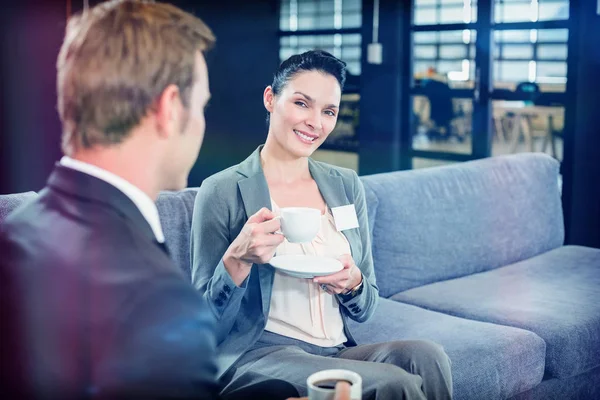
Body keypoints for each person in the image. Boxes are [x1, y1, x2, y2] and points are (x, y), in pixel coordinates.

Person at [191, 50, 454, 399]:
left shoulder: (345, 185)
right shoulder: (222, 190)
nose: (316, 122)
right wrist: (236, 259)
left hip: (335, 348)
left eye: (328, 111)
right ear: (271, 99)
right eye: (302, 103)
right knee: (395, 384)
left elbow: (368, 303)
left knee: (429, 357)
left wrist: (354, 283)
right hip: (261, 353)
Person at [0, 1, 222, 398]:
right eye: (202, 105)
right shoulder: (163, 305)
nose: (202, 123)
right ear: (170, 108)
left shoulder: (13, 233)